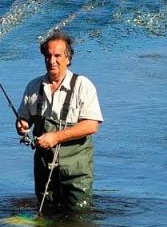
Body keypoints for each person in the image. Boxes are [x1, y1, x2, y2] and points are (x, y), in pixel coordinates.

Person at [16, 30, 103, 212]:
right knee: (46, 216)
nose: (52, 60)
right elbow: (24, 119)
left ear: (68, 58)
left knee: (80, 217)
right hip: (43, 168)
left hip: (76, 170)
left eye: (57, 56)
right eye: (48, 56)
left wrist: (56, 137)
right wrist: (22, 125)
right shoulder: (33, 87)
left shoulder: (83, 85)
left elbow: (91, 125)